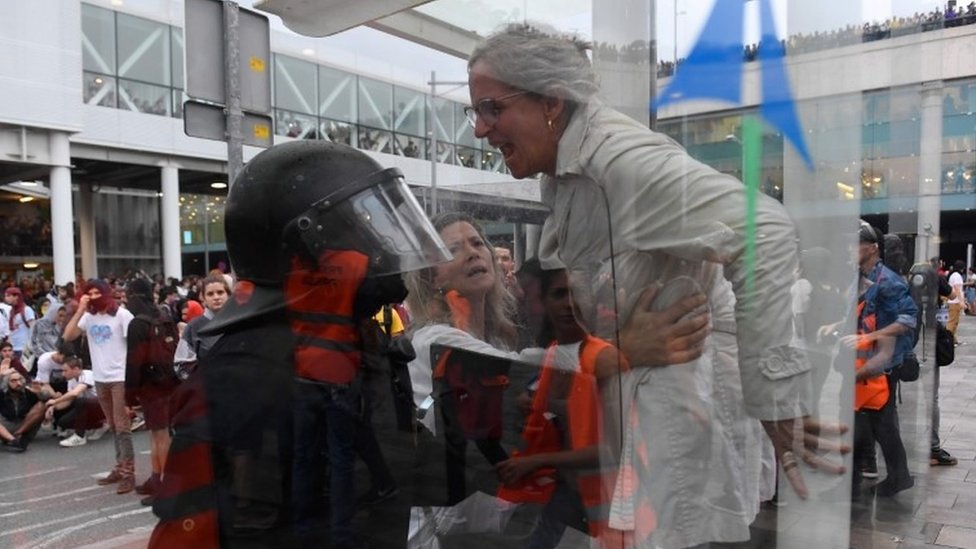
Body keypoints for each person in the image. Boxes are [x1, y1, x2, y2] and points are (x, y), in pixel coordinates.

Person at [465, 23, 846, 541]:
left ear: (550, 101)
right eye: (476, 111)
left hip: (668, 424)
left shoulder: (619, 161)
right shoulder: (567, 170)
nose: (480, 129)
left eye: (492, 108)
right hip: (634, 414)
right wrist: (622, 346)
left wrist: (776, 403)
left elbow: (765, 231)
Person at [149, 140, 451, 549]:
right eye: (360, 228)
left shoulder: (358, 340)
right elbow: (193, 531)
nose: (380, 245)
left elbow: (411, 472)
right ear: (309, 250)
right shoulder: (242, 372)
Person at [63, 279, 137, 494]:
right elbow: (68, 336)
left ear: (107, 293)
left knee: (122, 426)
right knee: (113, 425)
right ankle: (119, 466)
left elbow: (134, 346)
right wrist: (80, 310)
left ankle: (128, 473)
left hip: (120, 377)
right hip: (100, 377)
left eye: (97, 292)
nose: (94, 296)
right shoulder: (89, 316)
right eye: (90, 292)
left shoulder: (122, 315)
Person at [125, 278, 180, 506]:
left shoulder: (137, 323)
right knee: (158, 433)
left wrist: (130, 395)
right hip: (169, 381)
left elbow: (134, 362)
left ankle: (165, 485)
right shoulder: (164, 316)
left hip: (151, 384)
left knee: (159, 435)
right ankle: (157, 479)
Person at [44, 354, 109, 447]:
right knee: (63, 422)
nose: (63, 374)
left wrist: (55, 401)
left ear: (76, 369)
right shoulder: (71, 380)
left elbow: (75, 393)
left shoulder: (87, 374)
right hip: (90, 407)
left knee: (81, 401)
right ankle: (98, 426)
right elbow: (68, 400)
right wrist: (53, 408)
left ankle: (79, 436)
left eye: (65, 371)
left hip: (104, 406)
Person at [4, 287, 36, 359]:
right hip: (13, 347)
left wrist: (31, 345)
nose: (6, 298)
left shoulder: (27, 310)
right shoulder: (11, 311)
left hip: (24, 347)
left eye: (8, 296)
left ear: (16, 297)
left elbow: (33, 328)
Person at [946, 260, 965, 344]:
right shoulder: (957, 276)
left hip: (954, 301)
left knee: (955, 322)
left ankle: (953, 340)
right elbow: (957, 289)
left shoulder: (954, 275)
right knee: (952, 322)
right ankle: (948, 340)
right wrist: (961, 301)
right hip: (955, 302)